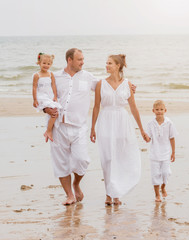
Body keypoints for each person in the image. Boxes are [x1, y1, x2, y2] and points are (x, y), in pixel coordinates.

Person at [43, 48, 136, 206]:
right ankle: (69, 195)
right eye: (79, 59)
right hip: (58, 126)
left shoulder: (88, 77)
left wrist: (126, 85)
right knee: (61, 163)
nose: (82, 62)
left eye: (83, 59)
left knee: (82, 160)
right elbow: (43, 94)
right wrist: (45, 108)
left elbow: (108, 85)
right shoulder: (55, 77)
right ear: (69, 60)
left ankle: (76, 184)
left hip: (79, 127)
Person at [90, 54, 148, 205]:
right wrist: (92, 128)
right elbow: (96, 107)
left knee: (121, 156)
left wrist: (141, 129)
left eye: (110, 63)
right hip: (105, 121)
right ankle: (109, 194)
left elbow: (134, 108)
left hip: (123, 122)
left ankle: (117, 193)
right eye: (106, 63)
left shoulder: (127, 84)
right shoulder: (100, 84)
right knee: (107, 158)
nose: (107, 66)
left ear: (118, 66)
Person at [144, 100, 177, 202]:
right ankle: (157, 195)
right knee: (155, 175)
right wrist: (145, 137)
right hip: (154, 154)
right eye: (157, 110)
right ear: (153, 111)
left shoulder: (169, 123)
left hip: (166, 153)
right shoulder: (150, 124)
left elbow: (172, 138)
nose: (159, 111)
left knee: (165, 173)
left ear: (165, 110)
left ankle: (163, 188)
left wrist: (173, 152)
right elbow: (148, 139)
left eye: (161, 109)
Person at [32, 53, 62, 143]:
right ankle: (49, 131)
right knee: (54, 112)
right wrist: (35, 99)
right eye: (44, 63)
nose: (46, 65)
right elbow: (34, 87)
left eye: (48, 64)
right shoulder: (37, 75)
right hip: (42, 96)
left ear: (51, 65)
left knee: (56, 112)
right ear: (39, 63)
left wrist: (55, 96)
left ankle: (49, 130)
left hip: (50, 96)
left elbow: (53, 86)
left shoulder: (50, 74)